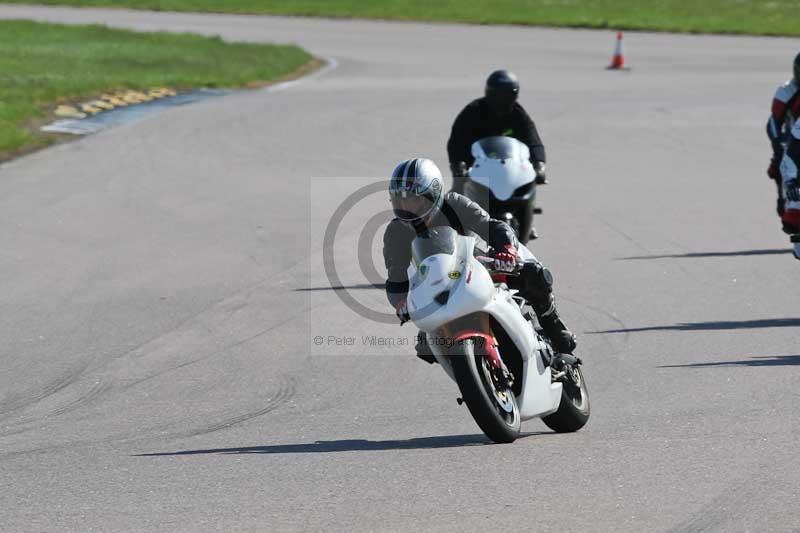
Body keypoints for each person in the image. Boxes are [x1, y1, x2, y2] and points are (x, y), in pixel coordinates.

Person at [382, 158, 576, 364]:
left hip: (476, 268)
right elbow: (396, 279)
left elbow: (490, 225)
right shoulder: (395, 232)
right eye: (400, 201)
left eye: (413, 200)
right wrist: (401, 302)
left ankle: (552, 323)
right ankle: (472, 378)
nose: (407, 207)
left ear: (433, 194)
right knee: (426, 345)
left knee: (533, 274)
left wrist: (506, 250)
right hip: (435, 290)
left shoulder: (454, 203)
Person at [447, 69, 547, 196]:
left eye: (506, 95)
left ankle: (525, 212)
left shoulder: (519, 115)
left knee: (526, 189)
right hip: (476, 169)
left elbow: (533, 141)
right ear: (489, 93)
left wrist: (539, 164)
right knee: (458, 198)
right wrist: (458, 165)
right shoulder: (472, 112)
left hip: (510, 168)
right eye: (498, 95)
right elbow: (456, 141)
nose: (502, 100)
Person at [766, 52, 800, 230]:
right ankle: (784, 200)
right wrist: (777, 147)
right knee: (782, 164)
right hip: (791, 136)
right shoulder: (786, 90)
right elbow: (773, 122)